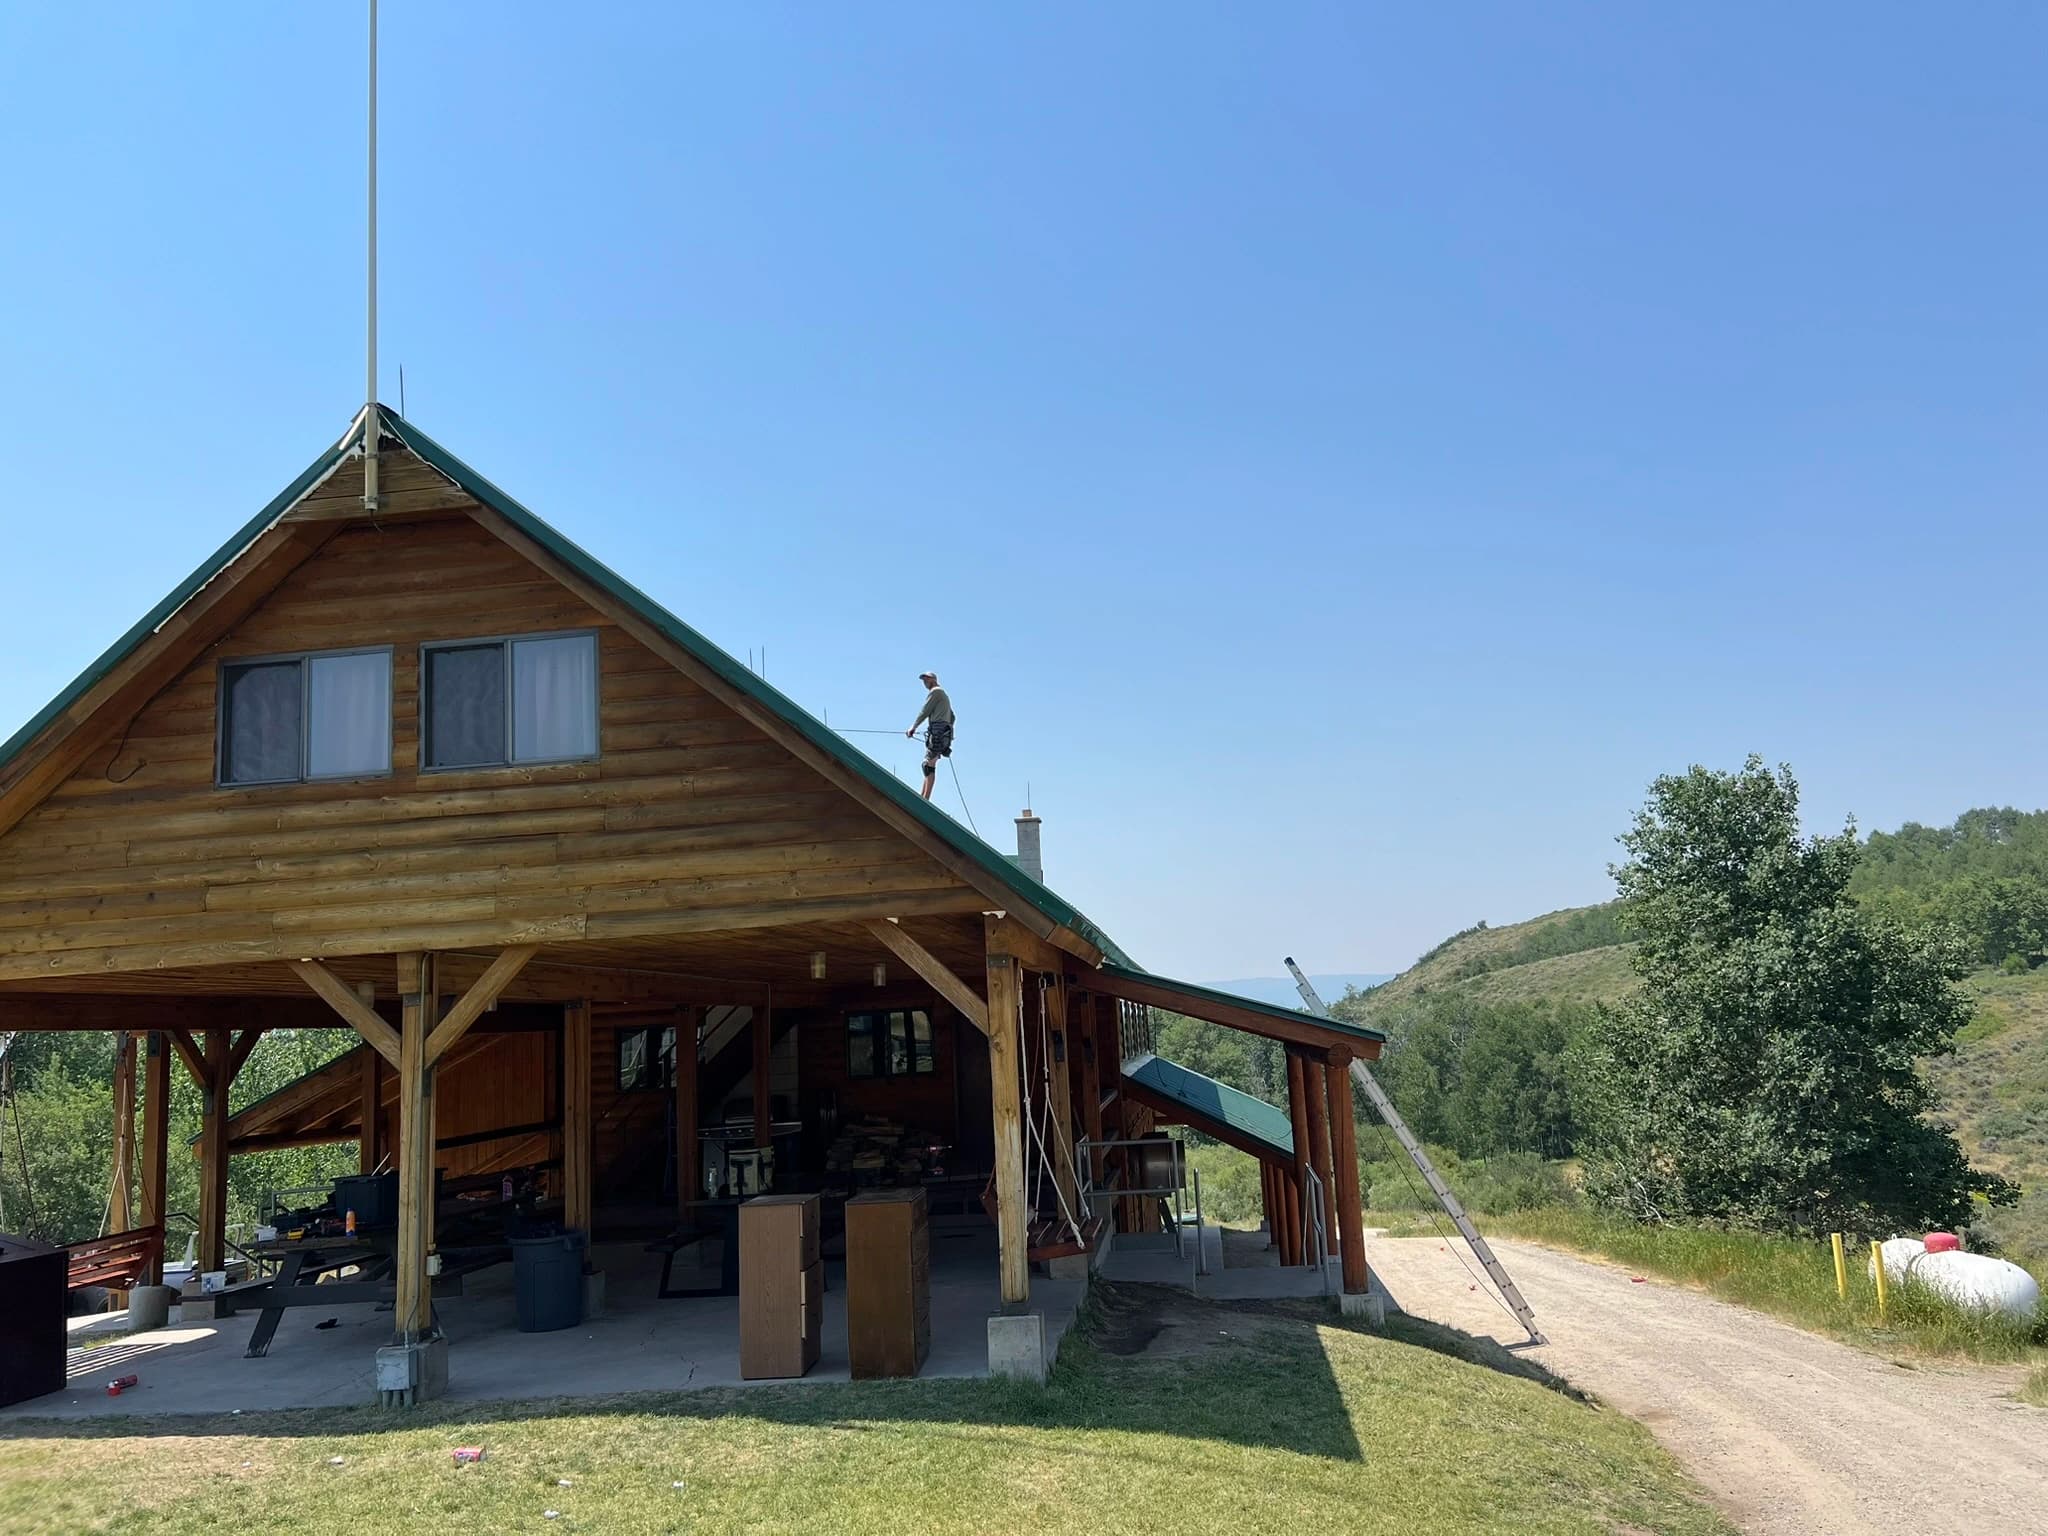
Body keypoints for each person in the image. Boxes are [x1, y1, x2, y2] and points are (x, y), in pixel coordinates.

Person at [905, 669, 954, 800]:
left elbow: (925, 711)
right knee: (929, 764)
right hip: (943, 732)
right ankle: (923, 797)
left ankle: (925, 799)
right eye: (924, 680)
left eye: (927, 679)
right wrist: (947, 730)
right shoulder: (943, 695)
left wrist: (913, 727)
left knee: (928, 765)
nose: (925, 682)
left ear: (933, 679)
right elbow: (953, 716)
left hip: (938, 731)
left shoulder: (936, 692)